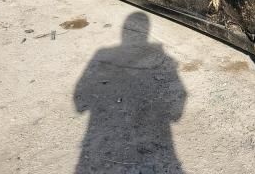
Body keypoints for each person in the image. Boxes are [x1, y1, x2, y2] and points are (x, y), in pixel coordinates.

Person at [74, 12, 185, 173]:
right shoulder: (164, 59)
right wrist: (174, 113)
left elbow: (80, 102)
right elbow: (178, 105)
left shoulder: (102, 53)